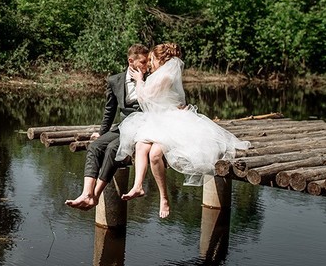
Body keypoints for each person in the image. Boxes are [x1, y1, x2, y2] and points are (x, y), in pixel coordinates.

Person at [116, 42, 250, 218]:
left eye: (152, 59)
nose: (150, 63)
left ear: (159, 60)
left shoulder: (165, 77)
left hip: (173, 121)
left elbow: (144, 98)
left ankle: (164, 198)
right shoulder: (157, 75)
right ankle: (138, 186)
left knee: (155, 154)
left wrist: (139, 80)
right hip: (157, 120)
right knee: (141, 145)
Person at [65, 44, 167, 209]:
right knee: (96, 147)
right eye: (142, 61)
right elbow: (109, 111)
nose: (146, 65)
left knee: (113, 148)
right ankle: (86, 193)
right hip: (124, 125)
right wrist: (102, 133)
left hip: (144, 127)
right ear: (131, 61)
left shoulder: (151, 78)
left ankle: (95, 196)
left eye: (148, 61)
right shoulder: (115, 80)